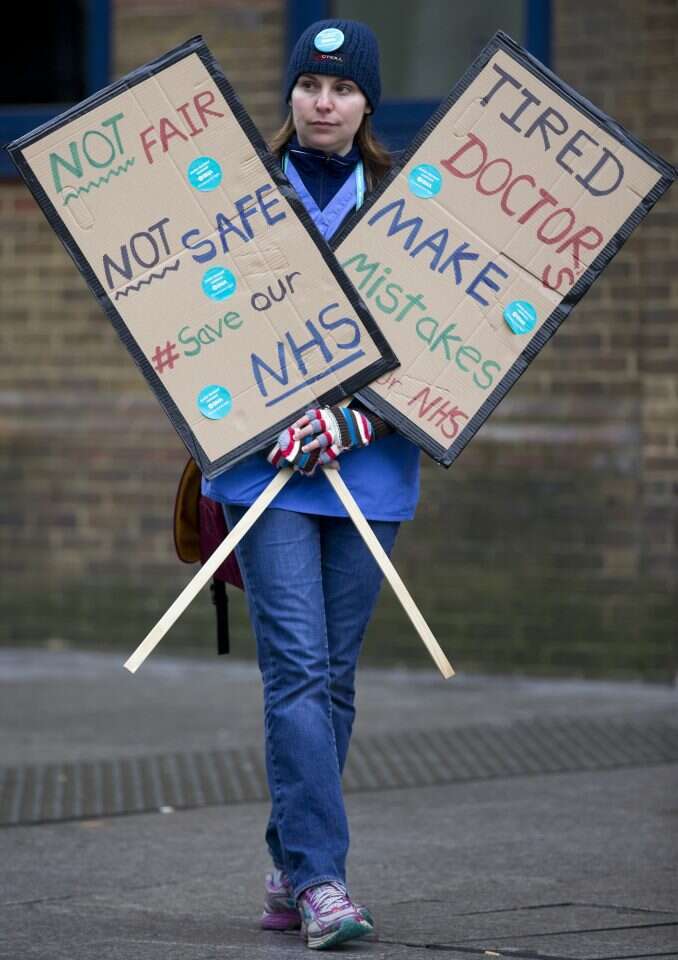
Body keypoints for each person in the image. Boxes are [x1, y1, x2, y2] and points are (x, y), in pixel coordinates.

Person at [202, 18, 421, 950]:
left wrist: (357, 417)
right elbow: (193, 327)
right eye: (308, 84)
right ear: (289, 94)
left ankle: (291, 865)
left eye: (341, 88)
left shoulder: (410, 203)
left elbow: (450, 346)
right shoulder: (239, 199)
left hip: (371, 472)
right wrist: (268, 408)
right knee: (294, 668)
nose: (322, 102)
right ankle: (326, 881)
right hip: (264, 474)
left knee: (331, 681)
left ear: (367, 102)